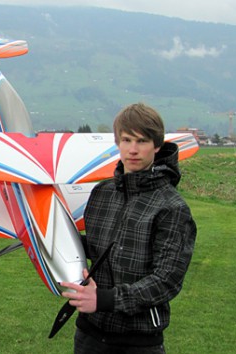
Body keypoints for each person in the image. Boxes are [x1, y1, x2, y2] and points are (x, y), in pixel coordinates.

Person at [61, 103, 197, 353]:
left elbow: (166, 280)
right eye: (126, 140)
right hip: (89, 334)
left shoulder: (172, 207)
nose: (133, 150)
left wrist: (104, 299)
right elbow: (96, 249)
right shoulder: (102, 193)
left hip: (138, 341)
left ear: (156, 145)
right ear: (117, 142)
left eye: (142, 141)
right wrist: (50, 240)